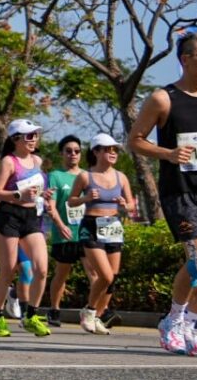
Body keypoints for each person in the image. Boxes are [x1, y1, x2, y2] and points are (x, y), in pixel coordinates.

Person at [128, 31, 197, 357]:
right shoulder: (162, 99)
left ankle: (190, 326)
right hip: (180, 191)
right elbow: (135, 140)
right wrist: (168, 153)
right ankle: (172, 321)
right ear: (186, 59)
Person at [0, 119, 52, 338]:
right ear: (16, 139)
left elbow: (37, 190)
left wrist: (44, 195)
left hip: (32, 217)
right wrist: (18, 195)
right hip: (9, 216)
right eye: (29, 136)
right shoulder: (9, 162)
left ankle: (31, 315)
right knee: (9, 269)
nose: (34, 139)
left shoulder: (38, 160)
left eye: (35, 135)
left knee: (41, 268)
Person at [69, 133, 134, 335]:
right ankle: (88, 311)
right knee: (104, 275)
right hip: (91, 225)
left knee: (112, 278)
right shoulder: (85, 176)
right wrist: (86, 197)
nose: (112, 153)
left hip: (113, 226)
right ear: (96, 152)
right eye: (107, 149)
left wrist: (125, 205)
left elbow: (131, 205)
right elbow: (71, 201)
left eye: (114, 149)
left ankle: (97, 316)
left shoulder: (121, 177)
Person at [46, 135, 88, 327]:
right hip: (65, 234)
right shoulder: (55, 176)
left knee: (96, 274)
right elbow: (51, 205)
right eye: (69, 151)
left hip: (87, 233)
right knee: (62, 274)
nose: (73, 154)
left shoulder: (87, 176)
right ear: (62, 153)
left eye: (77, 151)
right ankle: (54, 309)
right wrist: (61, 225)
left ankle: (96, 312)